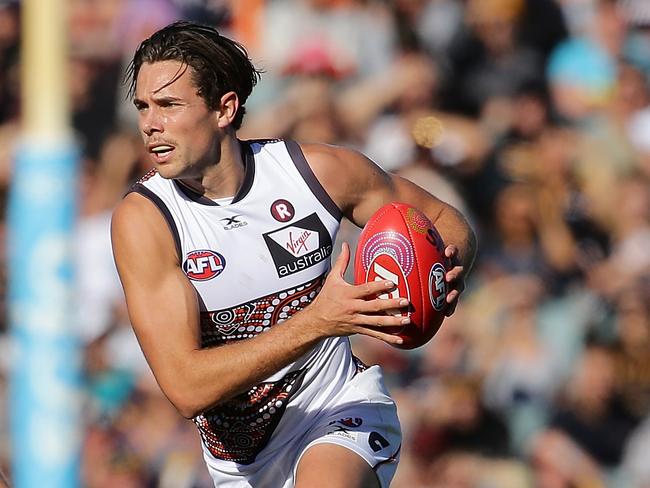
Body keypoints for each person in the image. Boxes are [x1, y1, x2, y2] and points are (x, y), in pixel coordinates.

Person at [111, 20, 477, 488]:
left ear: (224, 109)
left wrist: (445, 270)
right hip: (241, 466)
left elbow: (445, 219)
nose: (148, 124)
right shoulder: (146, 221)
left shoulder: (315, 172)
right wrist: (319, 321)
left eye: (168, 105)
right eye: (143, 107)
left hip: (339, 409)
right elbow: (185, 388)